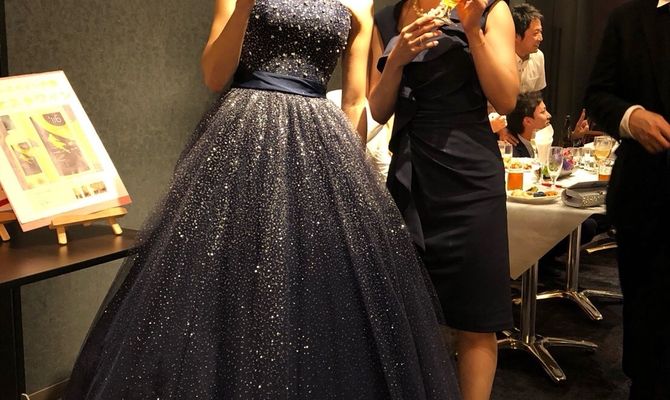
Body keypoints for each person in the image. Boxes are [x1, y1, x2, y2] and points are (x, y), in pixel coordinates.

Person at [63, 0, 462, 398]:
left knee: (317, 285)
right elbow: (214, 75)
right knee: (226, 275)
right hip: (244, 137)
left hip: (320, 143)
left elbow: (355, 101)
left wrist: (349, 177)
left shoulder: (359, 1)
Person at [368, 1, 518, 399]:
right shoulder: (386, 17)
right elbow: (378, 109)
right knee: (409, 316)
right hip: (411, 178)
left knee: (476, 318)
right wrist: (397, 59)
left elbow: (506, 99)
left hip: (471, 180)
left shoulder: (489, 9)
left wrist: (473, 31)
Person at [584, 0, 670, 398]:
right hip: (647, 201)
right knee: (648, 334)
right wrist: (631, 117)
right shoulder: (628, 17)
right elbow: (597, 95)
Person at [495, 2, 545, 145]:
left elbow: (536, 98)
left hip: (523, 127)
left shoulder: (538, 57)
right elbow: (489, 103)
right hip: (495, 126)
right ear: (516, 35)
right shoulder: (499, 58)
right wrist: (501, 129)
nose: (540, 38)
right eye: (535, 33)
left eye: (540, 32)